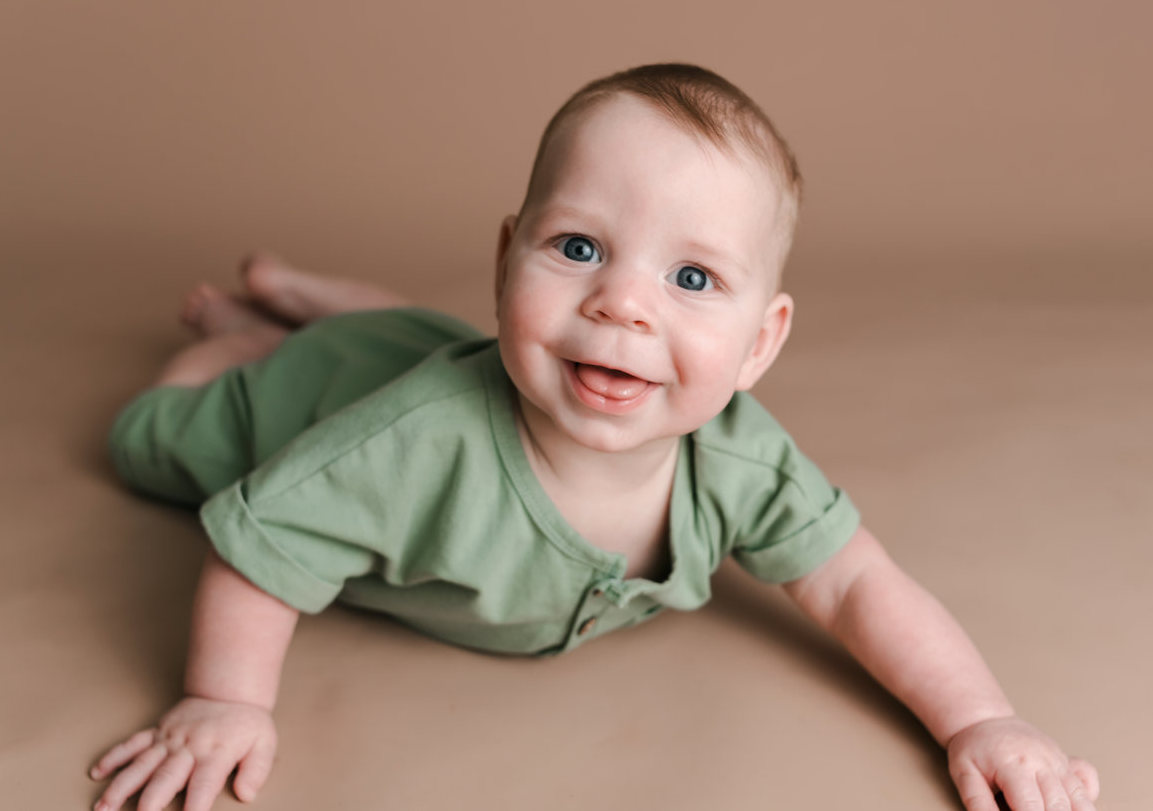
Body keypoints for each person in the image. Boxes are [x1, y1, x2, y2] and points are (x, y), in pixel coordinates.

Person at [89, 64, 1100, 811]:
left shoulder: (738, 461)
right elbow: (256, 553)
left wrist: (981, 717)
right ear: (507, 256)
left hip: (421, 347)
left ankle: (311, 298)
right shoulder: (403, 448)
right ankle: (249, 338)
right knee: (151, 436)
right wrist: (224, 700)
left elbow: (854, 583)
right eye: (576, 248)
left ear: (760, 342)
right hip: (312, 397)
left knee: (412, 340)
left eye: (691, 278)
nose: (621, 305)